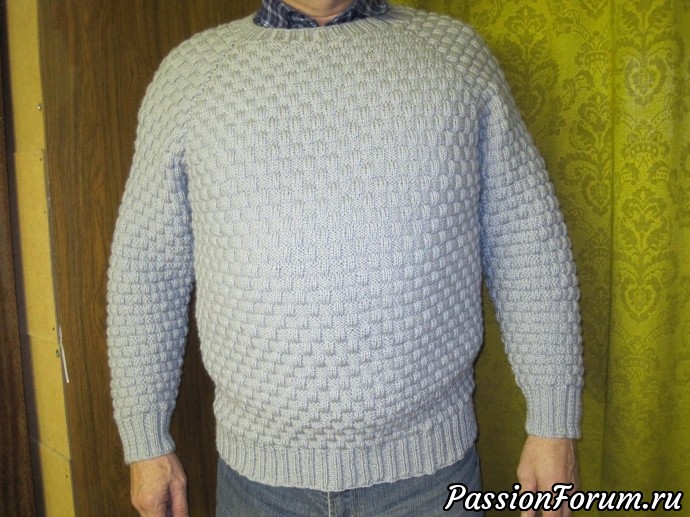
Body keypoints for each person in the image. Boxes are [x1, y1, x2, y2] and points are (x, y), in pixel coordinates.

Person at [106, 0, 584, 515]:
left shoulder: (454, 56)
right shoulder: (190, 75)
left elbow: (527, 243)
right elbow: (147, 267)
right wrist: (145, 440)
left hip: (429, 478)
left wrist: (553, 423)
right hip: (258, 487)